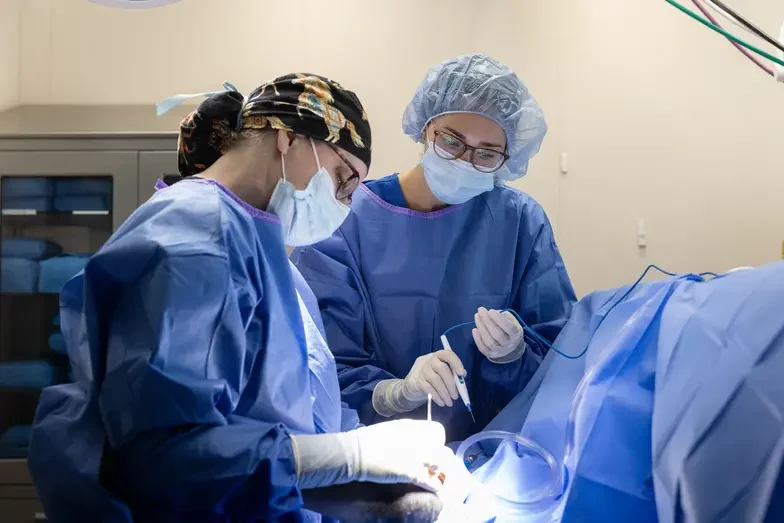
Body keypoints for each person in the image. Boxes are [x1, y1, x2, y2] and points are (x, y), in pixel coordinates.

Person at [28, 74, 457, 523]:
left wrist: (367, 466)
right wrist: (350, 455)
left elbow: (302, 410)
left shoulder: (271, 259)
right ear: (290, 136)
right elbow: (170, 456)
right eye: (342, 179)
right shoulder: (194, 242)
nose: (344, 204)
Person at [292, 54, 577, 442]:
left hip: (496, 454)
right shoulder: (347, 220)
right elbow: (319, 361)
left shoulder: (521, 223)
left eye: (487, 153)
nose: (465, 160)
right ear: (426, 128)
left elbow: (558, 359)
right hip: (377, 452)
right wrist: (396, 394)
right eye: (451, 140)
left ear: (506, 159)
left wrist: (514, 356)